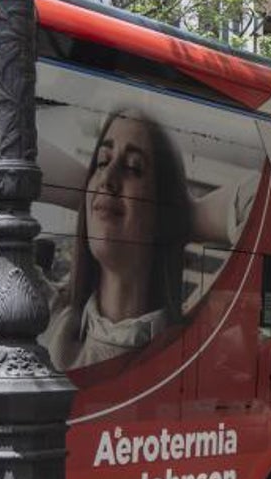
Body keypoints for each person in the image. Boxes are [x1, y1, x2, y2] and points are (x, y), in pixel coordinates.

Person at [46, 110, 193, 371]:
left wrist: (180, 216)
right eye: (102, 162)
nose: (107, 179)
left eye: (133, 168)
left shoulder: (187, 348)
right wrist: (89, 196)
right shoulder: (49, 317)